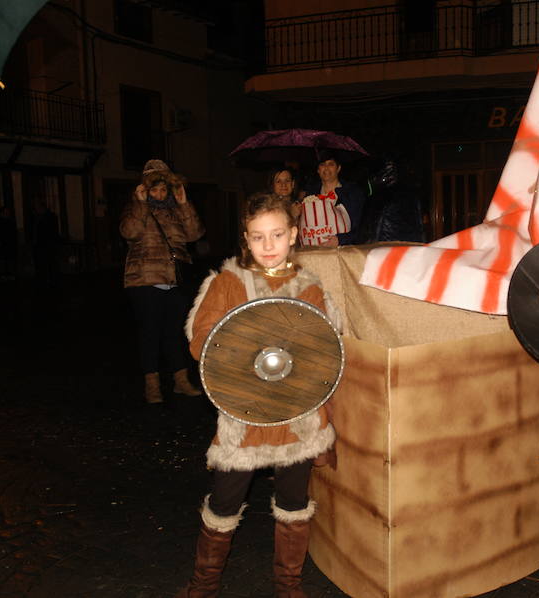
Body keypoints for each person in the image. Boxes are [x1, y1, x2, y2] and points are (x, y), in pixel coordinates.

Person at [176, 193, 337, 598]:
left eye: (277, 235)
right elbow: (203, 344)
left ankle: (288, 585)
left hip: (296, 416)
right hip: (244, 416)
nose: (268, 246)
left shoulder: (309, 287)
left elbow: (323, 354)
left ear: (294, 235)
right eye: (258, 237)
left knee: (293, 504)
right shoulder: (228, 283)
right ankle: (203, 585)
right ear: (245, 240)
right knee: (224, 503)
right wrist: (241, 344)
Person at [119, 159, 205, 404]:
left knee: (174, 333)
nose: (158, 193)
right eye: (153, 189)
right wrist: (140, 203)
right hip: (144, 280)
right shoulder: (135, 208)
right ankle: (152, 386)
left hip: (175, 279)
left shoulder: (176, 210)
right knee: (150, 333)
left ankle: (180, 381)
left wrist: (184, 203)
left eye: (162, 189)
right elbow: (129, 232)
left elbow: (195, 233)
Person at [301, 150, 366, 247]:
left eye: (331, 164)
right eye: (322, 164)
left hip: (345, 250)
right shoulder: (310, 195)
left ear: (338, 168)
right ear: (318, 170)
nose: (326, 168)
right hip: (315, 253)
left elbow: (361, 229)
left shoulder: (352, 193)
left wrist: (340, 240)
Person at [0, 205, 18, 281]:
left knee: (10, 259)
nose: (7, 213)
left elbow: (14, 233)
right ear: (2, 212)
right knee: (2, 259)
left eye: (8, 212)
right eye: (6, 212)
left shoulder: (11, 221)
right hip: (1, 244)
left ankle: (10, 274)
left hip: (10, 244)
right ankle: (2, 275)